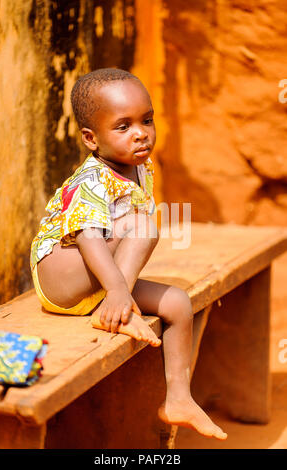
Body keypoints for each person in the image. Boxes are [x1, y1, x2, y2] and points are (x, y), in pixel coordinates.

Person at [30, 68, 227, 440]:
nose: (141, 133)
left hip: (101, 280)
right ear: (91, 138)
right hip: (60, 274)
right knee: (144, 223)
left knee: (179, 304)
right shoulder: (91, 178)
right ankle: (116, 308)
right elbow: (88, 237)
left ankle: (179, 399)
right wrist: (119, 291)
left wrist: (118, 287)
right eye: (123, 126)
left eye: (147, 120)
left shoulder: (141, 169)